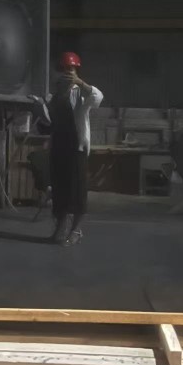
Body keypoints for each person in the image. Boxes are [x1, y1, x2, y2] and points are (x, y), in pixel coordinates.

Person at [31, 52, 103, 246]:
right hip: (59, 146)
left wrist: (81, 83)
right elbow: (47, 124)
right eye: (63, 69)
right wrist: (38, 109)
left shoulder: (81, 93)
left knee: (77, 190)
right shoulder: (54, 95)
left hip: (76, 147)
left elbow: (98, 97)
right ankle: (61, 228)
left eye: (71, 69)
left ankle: (76, 230)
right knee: (60, 189)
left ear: (77, 71)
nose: (67, 73)